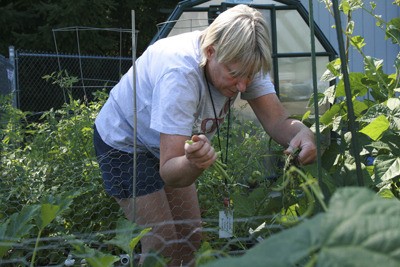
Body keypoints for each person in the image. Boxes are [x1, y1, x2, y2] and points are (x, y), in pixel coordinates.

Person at [93, 4, 316, 267]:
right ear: (210, 52)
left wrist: (303, 132)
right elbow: (170, 170)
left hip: (169, 147)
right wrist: (193, 162)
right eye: (235, 76)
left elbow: (277, 120)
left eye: (249, 77)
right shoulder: (180, 75)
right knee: (161, 244)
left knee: (190, 236)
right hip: (125, 144)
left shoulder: (244, 60)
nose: (243, 86)